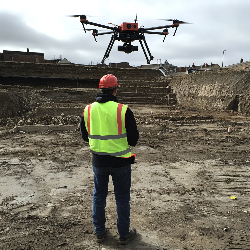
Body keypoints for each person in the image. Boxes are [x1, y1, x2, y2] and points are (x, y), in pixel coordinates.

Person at [80, 74, 139, 244]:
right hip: (121, 161)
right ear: (115, 89)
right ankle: (124, 234)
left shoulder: (88, 109)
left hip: (99, 160)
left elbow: (85, 136)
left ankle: (99, 232)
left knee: (99, 195)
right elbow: (133, 139)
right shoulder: (123, 110)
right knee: (121, 197)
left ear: (101, 89)